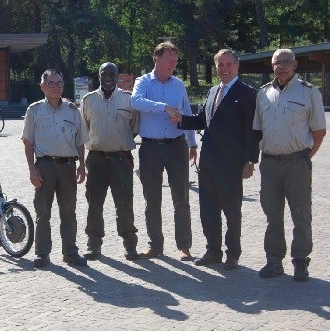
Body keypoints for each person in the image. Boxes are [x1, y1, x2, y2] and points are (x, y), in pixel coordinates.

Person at [170, 49, 259, 270]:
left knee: (231, 212)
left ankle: (233, 254)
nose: (224, 69)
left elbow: (253, 131)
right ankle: (213, 251)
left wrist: (250, 160)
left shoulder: (247, 93)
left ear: (237, 66)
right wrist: (181, 119)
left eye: (229, 64)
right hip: (208, 163)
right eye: (220, 65)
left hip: (232, 164)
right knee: (208, 210)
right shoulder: (212, 91)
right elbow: (203, 120)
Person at [253, 48, 326, 282]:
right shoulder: (263, 94)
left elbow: (319, 131)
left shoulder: (309, 92)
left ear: (295, 65)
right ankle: (274, 261)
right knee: (272, 216)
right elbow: (257, 130)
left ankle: (300, 261)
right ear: (272, 66)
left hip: (297, 163)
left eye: (286, 62)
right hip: (270, 164)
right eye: (277, 63)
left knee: (301, 215)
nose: (281, 66)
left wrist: (305, 157)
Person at [130, 41, 197, 261]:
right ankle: (155, 245)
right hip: (150, 147)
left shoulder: (178, 84)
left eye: (176, 61)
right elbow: (135, 101)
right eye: (170, 60)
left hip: (177, 145)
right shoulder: (143, 82)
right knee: (152, 200)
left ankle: (184, 245)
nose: (173, 64)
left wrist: (192, 143)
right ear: (156, 59)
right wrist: (163, 107)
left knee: (181, 198)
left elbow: (186, 112)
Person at [22, 69, 89, 268]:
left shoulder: (72, 110)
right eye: (51, 83)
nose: (56, 87)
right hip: (44, 166)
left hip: (68, 166)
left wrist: (82, 166)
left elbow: (80, 141)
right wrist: (32, 170)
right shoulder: (34, 111)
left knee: (69, 211)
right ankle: (42, 253)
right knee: (43, 212)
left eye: (59, 83)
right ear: (42, 86)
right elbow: (28, 142)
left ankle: (70, 252)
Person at [80, 62, 140, 261]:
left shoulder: (128, 100)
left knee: (124, 203)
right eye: (104, 74)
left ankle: (130, 245)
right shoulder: (88, 101)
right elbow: (84, 129)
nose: (108, 78)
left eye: (112, 74)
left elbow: (134, 128)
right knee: (94, 204)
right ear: (99, 75)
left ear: (117, 77)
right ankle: (93, 245)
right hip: (96, 160)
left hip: (121, 160)